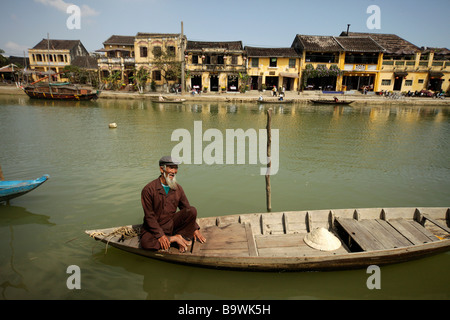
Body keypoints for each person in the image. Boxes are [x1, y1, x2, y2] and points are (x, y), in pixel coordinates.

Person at [140, 156, 206, 252]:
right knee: (146, 244)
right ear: (161, 169)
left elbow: (186, 209)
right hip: (154, 227)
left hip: (170, 224)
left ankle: (176, 236)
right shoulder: (149, 189)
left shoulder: (178, 188)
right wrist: (160, 235)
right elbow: (149, 216)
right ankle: (174, 239)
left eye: (176, 168)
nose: (174, 171)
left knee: (192, 210)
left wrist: (194, 228)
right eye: (171, 167)